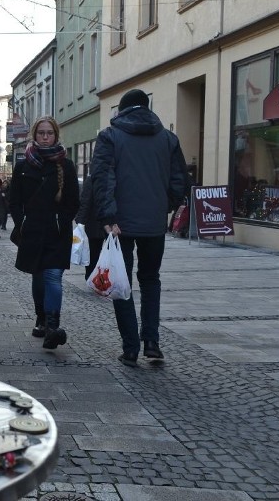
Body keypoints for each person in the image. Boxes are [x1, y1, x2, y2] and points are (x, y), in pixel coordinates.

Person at [90, 89, 188, 367]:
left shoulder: (110, 136)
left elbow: (102, 177)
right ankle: (153, 343)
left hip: (120, 224)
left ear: (121, 111)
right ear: (147, 107)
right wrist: (163, 206)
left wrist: (108, 216)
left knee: (122, 283)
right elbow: (180, 181)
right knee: (150, 279)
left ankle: (131, 348)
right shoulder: (168, 138)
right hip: (154, 224)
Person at [9, 116, 80, 349]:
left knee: (53, 276)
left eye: (50, 133)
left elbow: (73, 201)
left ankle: (52, 325)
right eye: (41, 133)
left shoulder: (66, 166)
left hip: (57, 231)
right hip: (33, 230)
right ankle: (41, 317)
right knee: (38, 276)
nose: (46, 137)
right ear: (34, 135)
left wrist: (63, 219)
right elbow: (14, 200)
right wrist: (22, 223)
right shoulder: (23, 165)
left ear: (56, 135)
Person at [75, 173, 106, 281]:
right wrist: (81, 220)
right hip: (96, 222)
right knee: (94, 251)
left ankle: (93, 276)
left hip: (99, 222)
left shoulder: (92, 178)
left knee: (95, 251)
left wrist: (80, 220)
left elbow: (85, 201)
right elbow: (85, 201)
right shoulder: (93, 178)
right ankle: (92, 276)